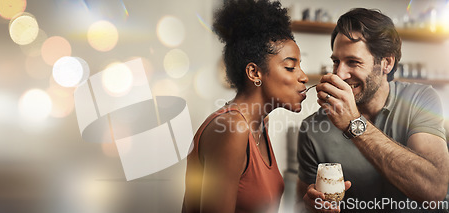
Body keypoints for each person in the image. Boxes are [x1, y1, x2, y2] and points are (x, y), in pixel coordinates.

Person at [296, 8, 449, 213]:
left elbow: (434, 191)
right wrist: (311, 206)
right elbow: (301, 204)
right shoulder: (312, 128)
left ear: (386, 63)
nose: (339, 74)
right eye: (336, 62)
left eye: (353, 62)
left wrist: (354, 123)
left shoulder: (420, 99)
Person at [181, 0, 309, 212]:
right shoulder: (232, 129)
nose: (303, 77)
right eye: (290, 67)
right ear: (254, 73)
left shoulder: (259, 124)